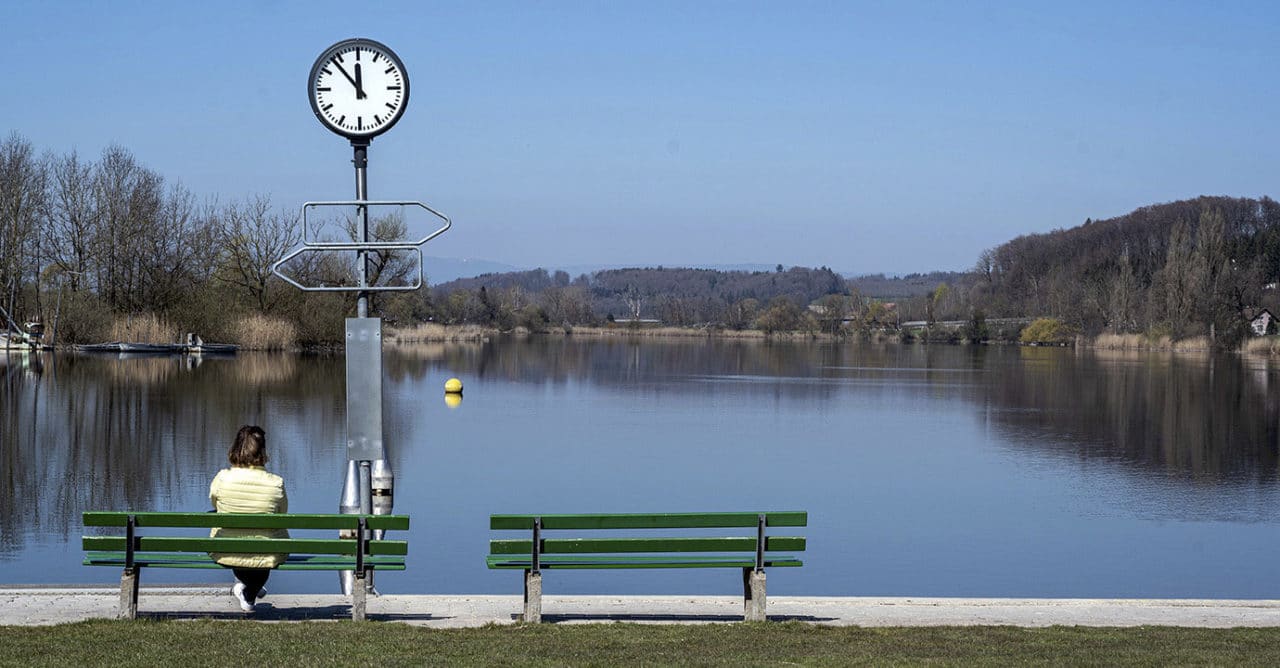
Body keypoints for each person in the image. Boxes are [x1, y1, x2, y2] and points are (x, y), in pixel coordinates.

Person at [209, 425, 289, 612]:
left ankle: (248, 590)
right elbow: (282, 515)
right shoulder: (276, 483)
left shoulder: (222, 478)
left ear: (236, 448)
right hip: (266, 552)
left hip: (227, 549)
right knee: (263, 546)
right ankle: (250, 590)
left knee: (241, 543)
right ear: (262, 450)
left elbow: (215, 504)